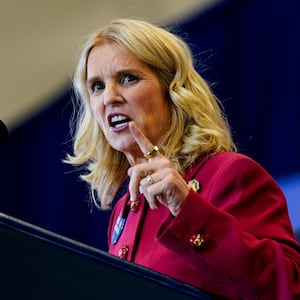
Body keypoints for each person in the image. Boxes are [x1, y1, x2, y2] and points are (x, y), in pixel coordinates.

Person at [65, 19, 300, 299]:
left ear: (173, 89)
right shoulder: (124, 212)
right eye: (97, 86)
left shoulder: (229, 173)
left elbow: (288, 287)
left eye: (128, 78)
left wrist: (187, 208)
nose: (109, 98)